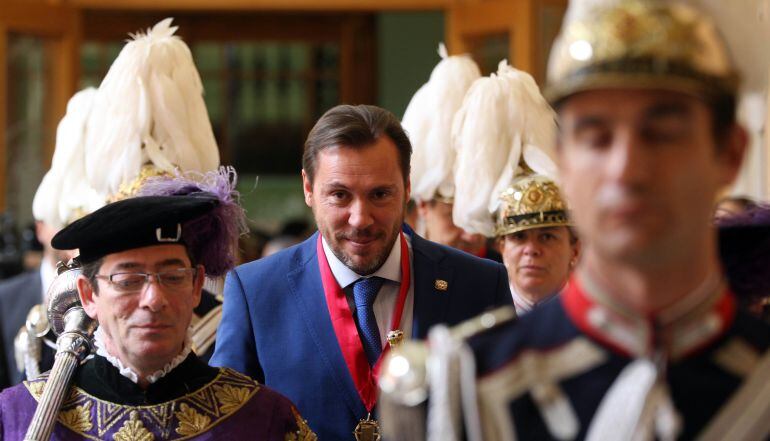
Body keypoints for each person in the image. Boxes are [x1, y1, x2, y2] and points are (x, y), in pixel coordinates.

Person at [381, 1, 770, 439]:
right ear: (563, 159)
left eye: (662, 132)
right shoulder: (458, 394)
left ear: (731, 153)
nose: (626, 169)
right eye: (596, 135)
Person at [211, 104, 512, 440]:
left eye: (380, 194)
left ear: (407, 188)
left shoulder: (482, 284)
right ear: (308, 189)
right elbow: (228, 428)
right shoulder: (255, 293)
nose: (360, 219)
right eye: (340, 195)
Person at [0, 194, 315, 440]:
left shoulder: (265, 419)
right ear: (88, 295)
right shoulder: (17, 415)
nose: (153, 299)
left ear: (195, 286)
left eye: (173, 276)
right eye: (128, 281)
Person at [0, 88, 103, 389]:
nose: (77, 244)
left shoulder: (111, 297)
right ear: (41, 227)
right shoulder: (4, 300)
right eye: (67, 226)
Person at [402, 44, 494, 258]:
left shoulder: (506, 275)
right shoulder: (394, 270)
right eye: (454, 216)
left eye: (481, 215)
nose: (471, 234)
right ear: (424, 206)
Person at [495, 174, 579, 315]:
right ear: (502, 249)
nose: (531, 249)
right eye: (519, 237)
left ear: (575, 250)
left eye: (546, 237)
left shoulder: (597, 321)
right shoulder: (477, 313)